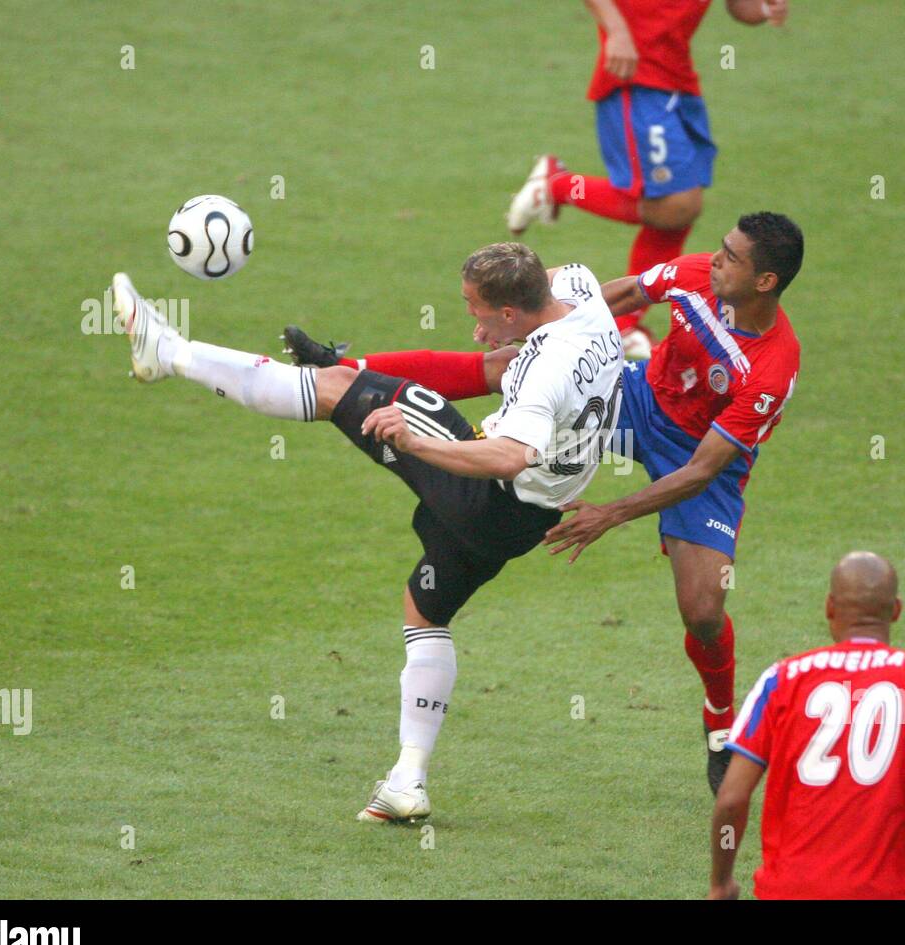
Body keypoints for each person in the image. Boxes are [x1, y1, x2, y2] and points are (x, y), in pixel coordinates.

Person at [286, 211, 804, 796]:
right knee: (508, 366)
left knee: (704, 611)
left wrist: (611, 513)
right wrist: (548, 337)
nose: (715, 260)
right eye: (720, 248)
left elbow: (702, 468)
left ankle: (718, 722)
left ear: (765, 282)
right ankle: (346, 368)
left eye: (732, 259)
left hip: (695, 456)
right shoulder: (694, 277)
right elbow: (621, 296)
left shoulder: (772, 369)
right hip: (632, 399)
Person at [110, 243, 623, 823]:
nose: (472, 322)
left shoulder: (546, 367)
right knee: (425, 610)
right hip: (527, 520)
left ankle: (171, 354)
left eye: (477, 310)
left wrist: (415, 442)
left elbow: (508, 455)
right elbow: (549, 291)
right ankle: (407, 780)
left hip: (489, 491)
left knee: (332, 391)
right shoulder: (580, 290)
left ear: (510, 313)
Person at [708, 552, 905, 900]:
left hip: (790, 891)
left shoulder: (783, 679)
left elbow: (731, 799)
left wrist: (721, 883)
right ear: (895, 611)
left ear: (830, 607)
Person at [506, 0, 788, 358]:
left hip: (679, 82)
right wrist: (618, 32)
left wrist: (765, 9)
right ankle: (557, 186)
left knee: (679, 211)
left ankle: (625, 325)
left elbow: (740, 7)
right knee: (675, 204)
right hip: (634, 74)